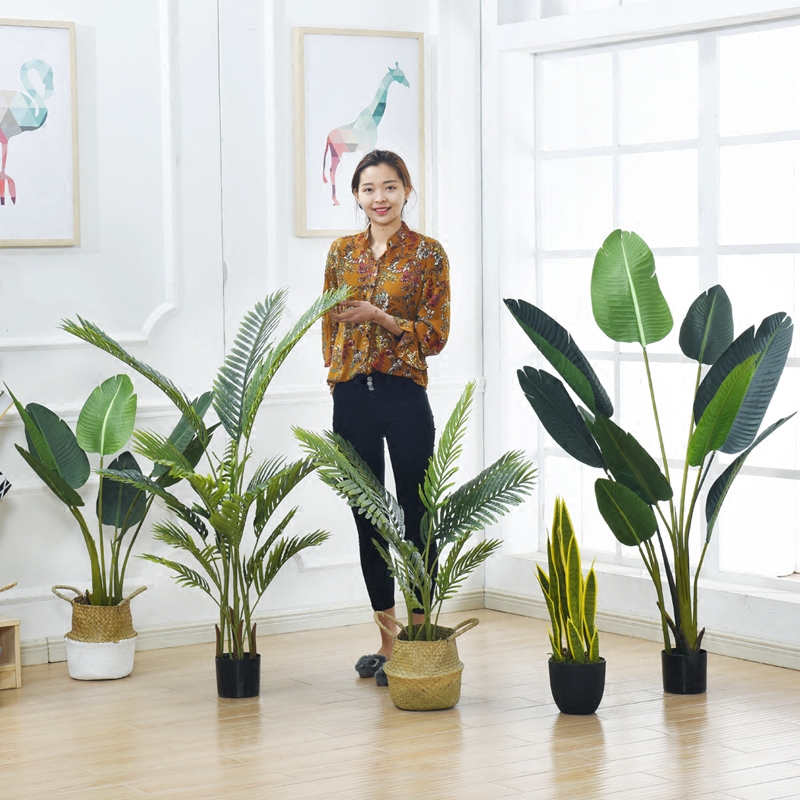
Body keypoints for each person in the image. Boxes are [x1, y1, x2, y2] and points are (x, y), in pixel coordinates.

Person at [321, 150, 450, 686]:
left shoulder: (428, 255)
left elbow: (435, 335)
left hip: (403, 395)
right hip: (352, 395)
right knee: (367, 516)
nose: (380, 197)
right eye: (369, 188)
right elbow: (326, 320)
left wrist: (382, 318)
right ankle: (388, 640)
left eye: (390, 187)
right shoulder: (341, 253)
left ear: (407, 191)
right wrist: (337, 368)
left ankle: (420, 637)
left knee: (417, 510)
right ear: (356, 194)